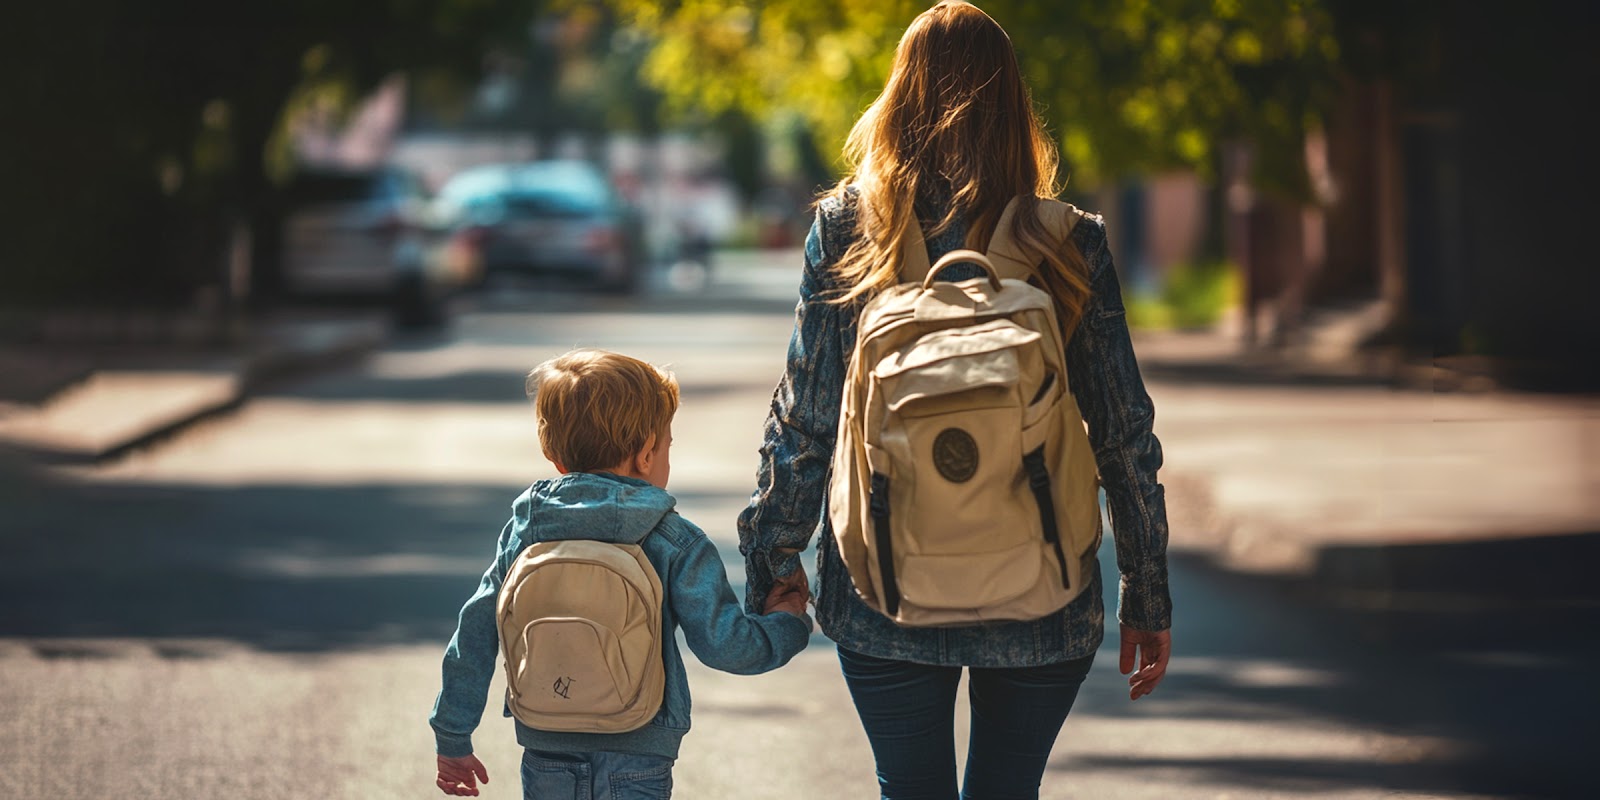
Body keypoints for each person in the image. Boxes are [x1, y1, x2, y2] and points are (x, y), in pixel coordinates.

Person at [736, 3, 1173, 798]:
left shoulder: (849, 230)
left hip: (885, 591)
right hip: (1044, 591)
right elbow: (1122, 431)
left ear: (898, 100)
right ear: (1016, 105)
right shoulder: (1067, 240)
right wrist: (1146, 587)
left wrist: (772, 560)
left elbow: (807, 414)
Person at [430, 348, 812, 799]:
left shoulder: (525, 531)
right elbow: (725, 646)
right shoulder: (673, 539)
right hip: (639, 750)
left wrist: (453, 735)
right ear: (647, 454)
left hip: (546, 747)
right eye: (668, 445)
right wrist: (788, 624)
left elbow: (475, 634)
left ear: (553, 454)